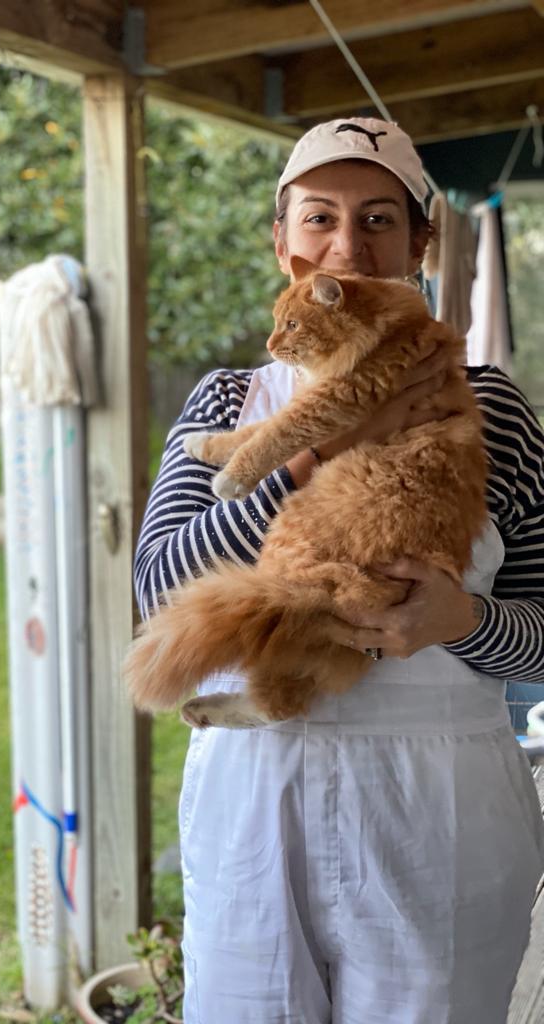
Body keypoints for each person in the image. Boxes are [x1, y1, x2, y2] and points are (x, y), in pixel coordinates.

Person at [133, 117, 544, 1024]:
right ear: (282, 242)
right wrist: (309, 458)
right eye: (318, 217)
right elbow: (158, 586)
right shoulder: (226, 403)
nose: (348, 245)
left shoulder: (497, 412)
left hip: (440, 812)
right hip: (255, 799)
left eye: (380, 219)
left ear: (421, 243)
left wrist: (463, 624)